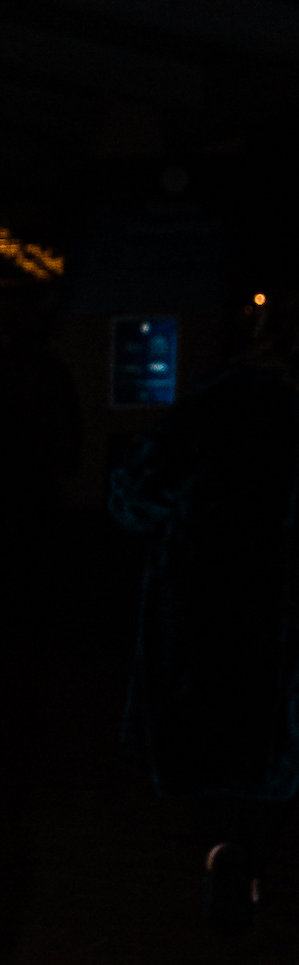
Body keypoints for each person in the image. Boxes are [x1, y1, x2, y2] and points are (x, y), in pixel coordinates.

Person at [111, 295, 299, 930]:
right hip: (284, 612)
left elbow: (134, 497)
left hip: (199, 604)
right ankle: (248, 858)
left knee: (207, 739)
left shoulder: (209, 402)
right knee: (276, 753)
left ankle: (221, 848)